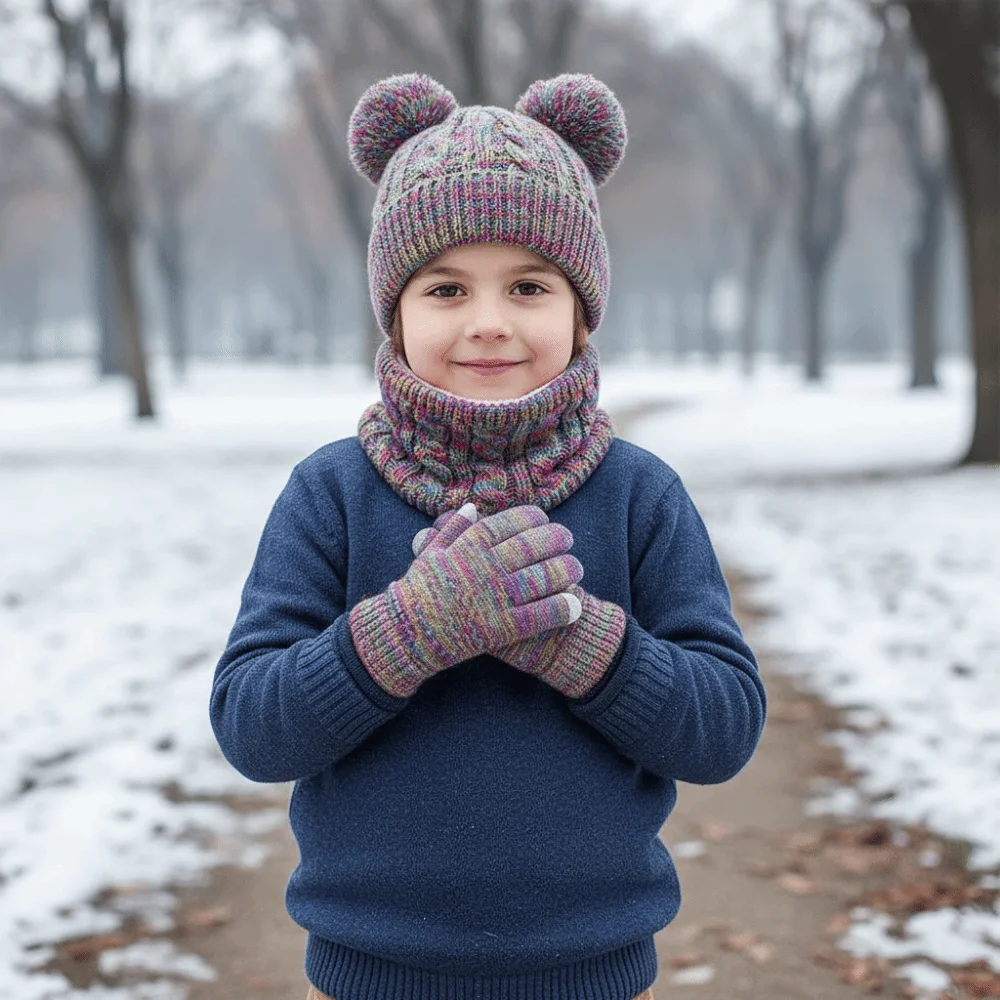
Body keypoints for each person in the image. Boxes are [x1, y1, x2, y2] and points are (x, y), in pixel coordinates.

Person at [210, 72, 767, 1000]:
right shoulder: (332, 493)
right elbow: (253, 727)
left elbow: (723, 729)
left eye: (529, 286)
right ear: (394, 311)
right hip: (369, 976)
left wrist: (579, 642)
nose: (488, 323)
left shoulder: (639, 495)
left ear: (582, 309)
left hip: (590, 974)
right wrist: (410, 630)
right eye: (444, 288)